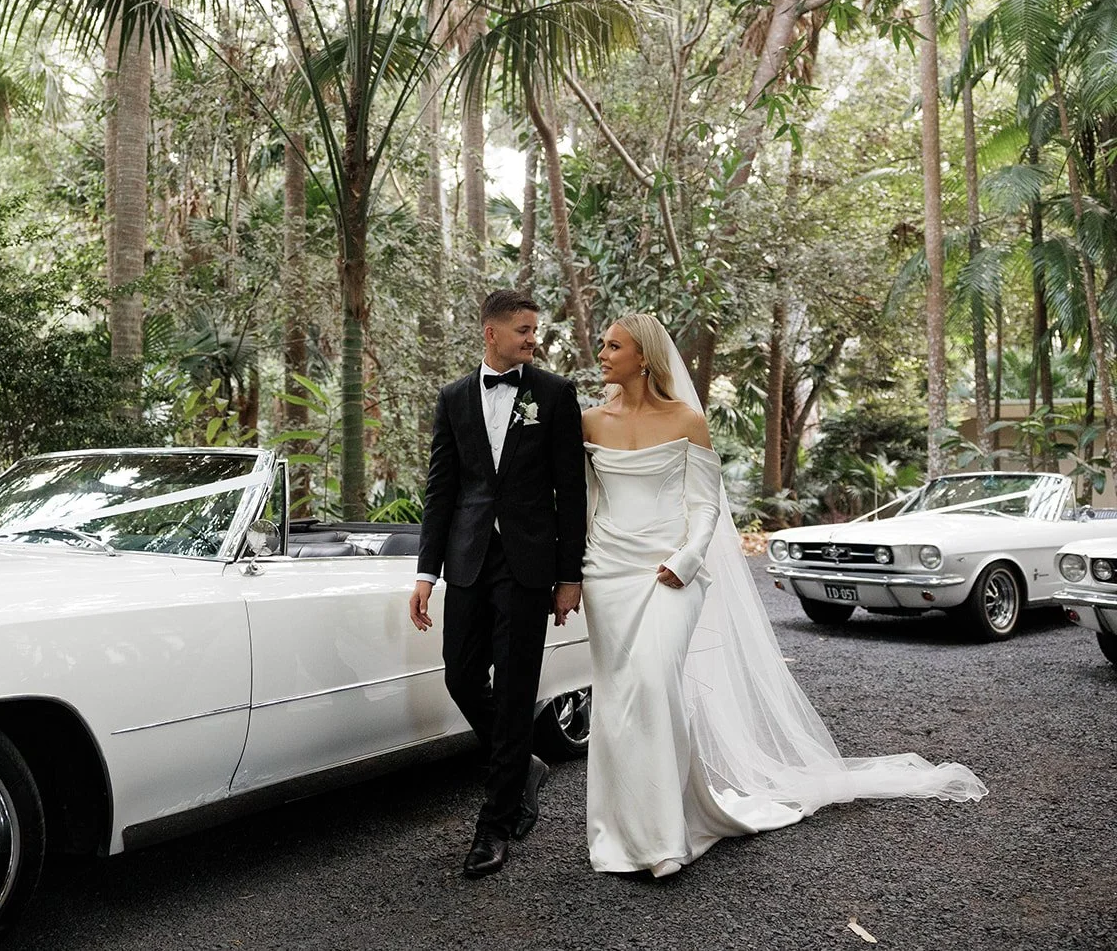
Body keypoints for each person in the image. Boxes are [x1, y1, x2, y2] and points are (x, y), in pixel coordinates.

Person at [580, 313, 986, 878]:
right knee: (618, 699)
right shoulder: (589, 423)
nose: (601, 353)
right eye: (602, 344)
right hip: (608, 574)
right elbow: (583, 503)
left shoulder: (686, 420)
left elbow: (705, 505)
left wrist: (687, 558)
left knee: (654, 683)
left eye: (613, 345)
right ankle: (624, 831)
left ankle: (667, 836)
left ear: (643, 356)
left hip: (673, 571)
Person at [409, 289, 587, 877]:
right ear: (490, 331)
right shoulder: (454, 397)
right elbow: (442, 490)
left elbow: (571, 490)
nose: (534, 339)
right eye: (523, 330)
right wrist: (425, 573)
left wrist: (569, 575)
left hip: (529, 565)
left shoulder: (555, 395)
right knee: (461, 676)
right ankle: (525, 767)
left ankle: (494, 823)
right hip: (467, 560)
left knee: (515, 689)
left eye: (536, 331)